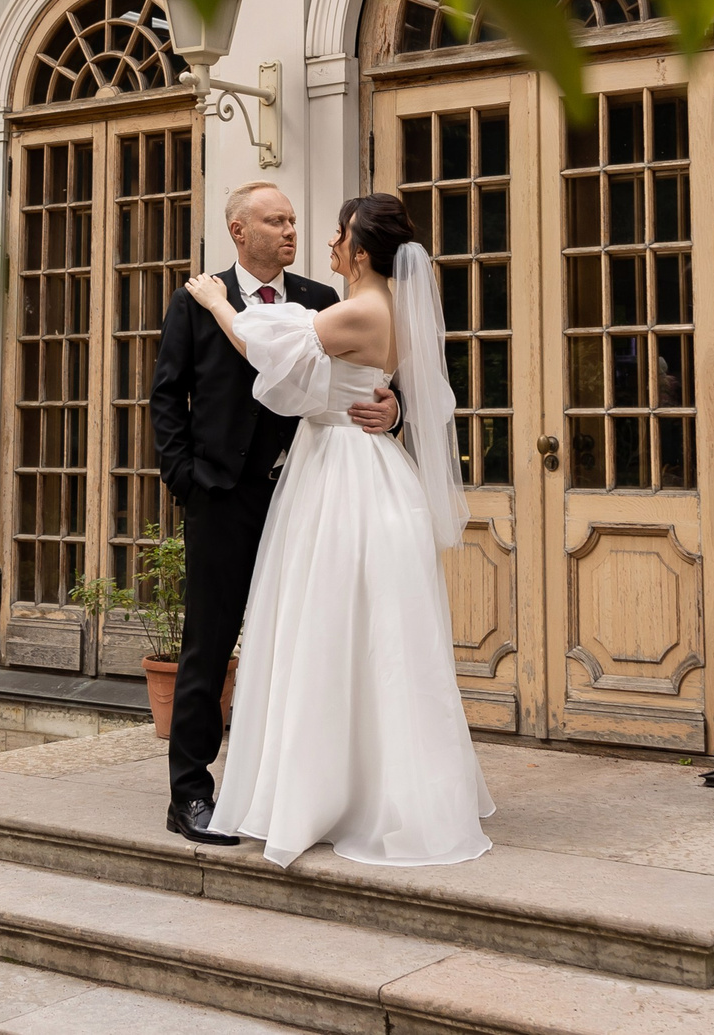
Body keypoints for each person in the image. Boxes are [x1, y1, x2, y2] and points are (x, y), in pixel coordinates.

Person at [178, 192, 493, 869]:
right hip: (351, 474)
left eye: (337, 233)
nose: (323, 241)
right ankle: (363, 788)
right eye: (284, 220)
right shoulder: (389, 310)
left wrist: (216, 301)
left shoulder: (351, 307)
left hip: (342, 477)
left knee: (327, 632)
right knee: (370, 639)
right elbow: (414, 389)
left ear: (361, 250)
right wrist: (393, 406)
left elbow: (259, 343)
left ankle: (328, 794)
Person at [150, 182, 398, 846]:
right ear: (239, 231)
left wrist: (394, 410)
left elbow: (376, 375)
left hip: (311, 495)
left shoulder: (322, 298)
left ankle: (282, 790)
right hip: (223, 497)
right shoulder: (195, 300)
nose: (291, 230)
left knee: (301, 644)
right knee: (208, 644)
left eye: (293, 219)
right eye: (275, 220)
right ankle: (190, 793)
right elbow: (168, 397)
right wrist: (187, 481)